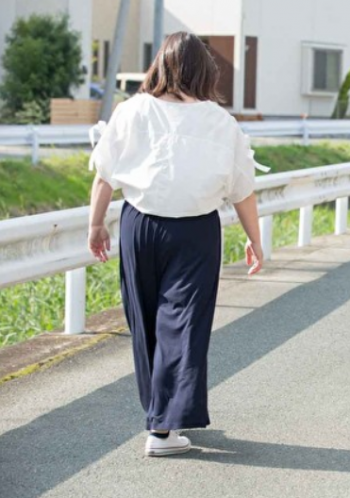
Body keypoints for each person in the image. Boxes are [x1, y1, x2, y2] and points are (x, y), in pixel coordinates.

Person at [87, 32, 264, 457]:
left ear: (160, 66)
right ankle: (163, 427)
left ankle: (161, 420)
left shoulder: (131, 111)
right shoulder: (220, 121)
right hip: (195, 232)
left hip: (139, 226)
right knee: (181, 324)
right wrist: (256, 241)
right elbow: (243, 190)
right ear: (204, 70)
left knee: (145, 322)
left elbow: (105, 174)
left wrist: (95, 225)